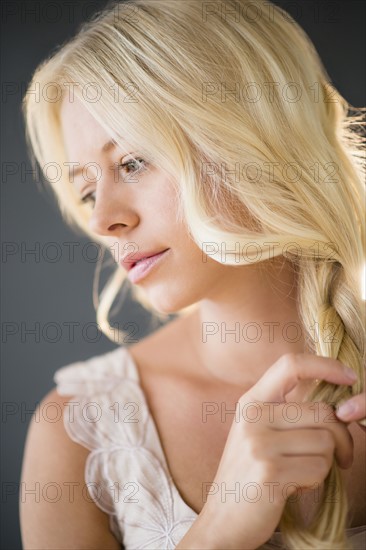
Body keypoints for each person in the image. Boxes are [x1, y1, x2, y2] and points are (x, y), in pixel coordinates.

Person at [19, 0, 365, 548]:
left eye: (131, 163)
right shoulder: (79, 433)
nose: (105, 220)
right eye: (87, 190)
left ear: (252, 137)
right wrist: (218, 530)